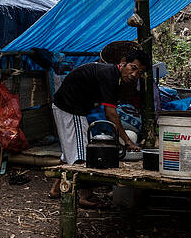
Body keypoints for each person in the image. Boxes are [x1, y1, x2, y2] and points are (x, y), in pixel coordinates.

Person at [48, 49, 146, 203]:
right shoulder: (110, 76)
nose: (134, 75)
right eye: (133, 68)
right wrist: (127, 140)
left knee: (70, 151)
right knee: (82, 154)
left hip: (68, 107)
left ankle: (55, 189)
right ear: (122, 62)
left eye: (139, 73)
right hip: (70, 108)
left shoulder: (113, 75)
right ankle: (85, 196)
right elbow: (111, 114)